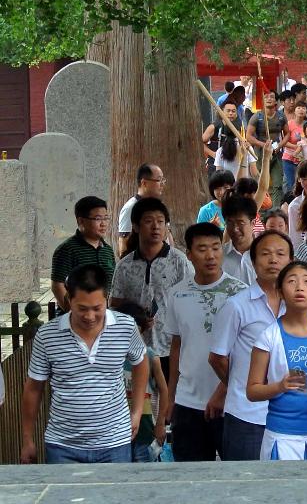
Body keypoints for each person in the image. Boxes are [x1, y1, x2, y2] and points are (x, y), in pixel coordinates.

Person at [21, 265, 148, 464]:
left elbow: (141, 361)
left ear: (107, 299)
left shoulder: (126, 326)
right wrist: (27, 439)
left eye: (97, 308)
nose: (90, 317)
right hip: (62, 447)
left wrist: (137, 411)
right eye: (82, 309)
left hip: (115, 443)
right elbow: (33, 388)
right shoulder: (47, 336)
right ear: (68, 300)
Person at [246, 261, 307, 460]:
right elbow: (252, 390)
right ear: (281, 292)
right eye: (291, 281)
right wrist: (280, 386)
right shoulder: (268, 337)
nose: (299, 287)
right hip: (283, 435)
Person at [164, 223, 246, 462]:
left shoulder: (239, 293)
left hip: (231, 401)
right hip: (188, 401)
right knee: (191, 478)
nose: (210, 255)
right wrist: (171, 397)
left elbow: (244, 352)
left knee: (237, 476)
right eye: (201, 249)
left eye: (215, 247)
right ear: (188, 254)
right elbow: (176, 347)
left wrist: (226, 390)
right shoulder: (177, 294)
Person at [210, 230, 293, 460]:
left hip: (288, 414)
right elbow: (217, 357)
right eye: (265, 254)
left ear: (291, 262)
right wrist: (239, 385)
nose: (273, 260)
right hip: (247, 414)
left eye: (280, 254)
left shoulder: (298, 307)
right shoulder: (237, 306)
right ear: (253, 262)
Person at [110, 198, 193, 377]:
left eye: (161, 221)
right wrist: (134, 314)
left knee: (169, 400)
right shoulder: (125, 265)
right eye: (149, 221)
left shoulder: (179, 262)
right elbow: (114, 304)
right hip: (134, 349)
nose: (156, 226)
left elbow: (193, 301)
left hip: (172, 349)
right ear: (136, 226)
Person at [115, 301, 169, 462]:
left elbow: (164, 390)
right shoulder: (111, 357)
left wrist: (160, 424)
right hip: (117, 431)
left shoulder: (151, 356)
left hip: (146, 431)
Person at [51, 196, 116, 310]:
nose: (104, 224)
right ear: (81, 221)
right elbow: (58, 286)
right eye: (98, 219)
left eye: (106, 218)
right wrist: (73, 312)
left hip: (104, 315)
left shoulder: (107, 250)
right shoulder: (67, 249)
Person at [117, 163, 165, 256]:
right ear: (144, 183)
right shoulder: (131, 208)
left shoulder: (159, 206)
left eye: (163, 180)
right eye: (159, 180)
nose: (162, 184)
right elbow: (123, 243)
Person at [221, 195, 258, 286]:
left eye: (240, 223)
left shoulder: (265, 255)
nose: (235, 229)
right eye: (230, 223)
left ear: (253, 223)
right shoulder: (219, 256)